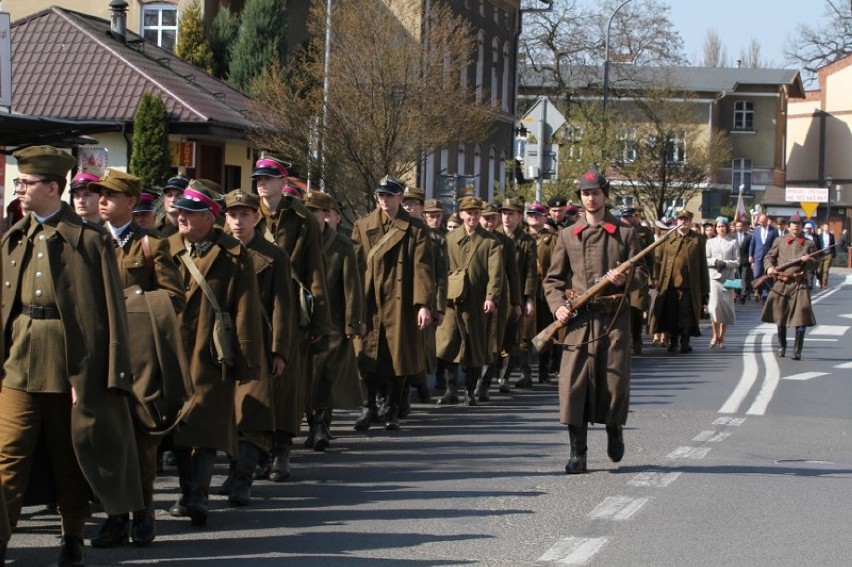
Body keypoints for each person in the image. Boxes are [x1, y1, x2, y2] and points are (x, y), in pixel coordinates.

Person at [0, 146, 142, 565]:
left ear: (51, 187)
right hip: (17, 364)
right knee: (7, 458)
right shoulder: (13, 237)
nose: (19, 189)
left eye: (26, 183)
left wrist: (102, 378)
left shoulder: (91, 242)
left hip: (70, 369)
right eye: (18, 182)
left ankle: (73, 536)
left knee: (71, 459)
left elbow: (112, 316)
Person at [89, 169, 188, 547]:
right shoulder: (90, 241)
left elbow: (174, 299)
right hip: (100, 357)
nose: (101, 201)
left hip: (140, 358)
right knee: (109, 439)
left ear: (131, 203)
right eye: (100, 194)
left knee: (142, 438)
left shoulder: (151, 245)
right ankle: (115, 516)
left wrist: (130, 304)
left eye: (110, 196)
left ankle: (144, 512)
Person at [167, 180, 265, 526]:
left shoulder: (234, 256)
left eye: (191, 213)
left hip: (211, 353)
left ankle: (198, 497)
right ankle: (184, 491)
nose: (181, 217)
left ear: (210, 218)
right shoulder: (166, 248)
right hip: (171, 351)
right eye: (180, 211)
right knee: (176, 426)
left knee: (205, 427)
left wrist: (246, 360)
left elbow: (246, 311)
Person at [543, 166, 645, 474]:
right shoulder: (567, 235)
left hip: (612, 318)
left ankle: (614, 429)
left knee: (613, 383)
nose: (590, 198)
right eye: (585, 194)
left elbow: (641, 275)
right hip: (578, 321)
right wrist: (558, 307)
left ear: (605, 196)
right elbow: (553, 280)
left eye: (595, 193)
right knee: (573, 387)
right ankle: (579, 452)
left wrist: (623, 278)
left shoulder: (625, 233)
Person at [254, 156, 330, 482]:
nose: (261, 183)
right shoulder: (244, 213)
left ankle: (281, 450)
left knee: (285, 386)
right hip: (253, 306)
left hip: (289, 308)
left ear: (282, 182)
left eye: (268, 178)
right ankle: (254, 451)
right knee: (254, 384)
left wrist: (318, 320)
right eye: (258, 178)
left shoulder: (301, 219)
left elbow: (315, 269)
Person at [220, 189, 290, 506]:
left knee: (253, 413)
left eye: (245, 214)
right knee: (226, 413)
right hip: (221, 343)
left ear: (256, 217)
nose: (238, 221)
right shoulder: (218, 252)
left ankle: (243, 479)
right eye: (232, 214)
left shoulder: (274, 256)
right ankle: (233, 471)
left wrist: (279, 351)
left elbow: (281, 307)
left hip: (258, 343)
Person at [351, 176, 435, 429]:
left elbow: (423, 268)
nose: (384, 200)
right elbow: (354, 267)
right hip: (370, 298)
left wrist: (423, 304)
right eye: (381, 196)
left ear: (400, 197)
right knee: (365, 355)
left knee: (398, 357)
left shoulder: (416, 229)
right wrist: (353, 304)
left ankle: (391, 409)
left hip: (402, 301)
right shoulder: (363, 225)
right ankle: (368, 408)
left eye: (390, 195)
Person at [303, 191, 364, 448]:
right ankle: (312, 423)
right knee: (307, 377)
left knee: (327, 376)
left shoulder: (341, 245)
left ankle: (320, 426)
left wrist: (352, 322)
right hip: (304, 319)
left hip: (334, 320)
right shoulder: (299, 242)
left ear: (326, 215)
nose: (310, 216)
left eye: (315, 212)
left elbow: (352, 286)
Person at [436, 197, 503, 405]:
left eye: (476, 213)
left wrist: (491, 297)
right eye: (469, 212)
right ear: (461, 214)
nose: (473, 217)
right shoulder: (449, 239)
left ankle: (470, 391)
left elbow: (496, 274)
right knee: (447, 345)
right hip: (451, 301)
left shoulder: (490, 241)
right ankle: (450, 389)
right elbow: (441, 270)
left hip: (476, 301)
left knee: (474, 347)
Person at [402, 188, 446, 408]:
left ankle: (420, 386)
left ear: (421, 207)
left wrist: (438, 306)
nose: (409, 208)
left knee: (420, 347)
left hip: (424, 299)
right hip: (400, 299)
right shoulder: (397, 230)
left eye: (413, 204)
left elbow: (439, 275)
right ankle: (406, 392)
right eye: (406, 203)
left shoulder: (433, 237)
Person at [651, 208, 710, 354]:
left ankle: (685, 342)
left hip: (690, 285)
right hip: (670, 284)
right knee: (672, 314)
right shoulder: (668, 238)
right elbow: (657, 260)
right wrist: (655, 277)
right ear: (677, 221)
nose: (684, 222)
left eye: (687, 220)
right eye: (681, 219)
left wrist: (704, 288)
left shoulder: (698, 239)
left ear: (690, 222)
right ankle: (673, 342)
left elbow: (703, 264)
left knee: (686, 316)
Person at [761, 214, 817, 360]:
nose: (795, 226)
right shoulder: (779, 241)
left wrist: (808, 260)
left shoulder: (809, 244)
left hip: (800, 283)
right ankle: (782, 346)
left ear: (801, 226)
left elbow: (816, 264)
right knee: (780, 316)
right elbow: (769, 257)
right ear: (788, 226)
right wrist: (769, 268)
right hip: (782, 282)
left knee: (802, 315)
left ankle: (797, 350)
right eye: (793, 224)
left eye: (798, 224)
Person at [524, 202, 559, 383]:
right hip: (525, 291)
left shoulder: (553, 239)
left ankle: (543, 370)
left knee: (545, 332)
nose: (534, 217)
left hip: (544, 292)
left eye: (537, 214)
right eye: (530, 214)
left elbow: (557, 267)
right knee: (524, 333)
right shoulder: (522, 236)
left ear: (545, 216)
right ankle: (525, 371)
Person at [621, 207, 654, 355]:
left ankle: (637, 338)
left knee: (637, 309)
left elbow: (651, 257)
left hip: (638, 275)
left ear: (636, 217)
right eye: (625, 217)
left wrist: (653, 276)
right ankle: (625, 339)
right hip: (621, 276)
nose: (627, 219)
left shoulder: (645, 233)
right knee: (623, 309)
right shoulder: (618, 231)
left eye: (630, 217)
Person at [705, 217, 739, 348]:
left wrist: (725, 263)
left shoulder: (733, 242)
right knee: (714, 307)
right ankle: (714, 334)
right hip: (714, 278)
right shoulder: (710, 242)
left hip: (729, 278)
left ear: (727, 228)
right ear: (715, 228)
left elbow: (737, 261)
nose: (721, 229)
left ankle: (722, 337)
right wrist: (715, 262)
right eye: (718, 226)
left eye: (723, 226)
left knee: (726, 308)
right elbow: (706, 259)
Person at [749, 213, 779, 303]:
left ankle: (765, 295)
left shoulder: (774, 231)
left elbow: (776, 244)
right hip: (757, 256)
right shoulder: (756, 231)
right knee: (757, 275)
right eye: (760, 222)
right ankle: (758, 289)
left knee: (767, 275)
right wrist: (750, 255)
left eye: (763, 222)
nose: (762, 223)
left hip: (769, 257)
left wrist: (776, 256)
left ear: (767, 221)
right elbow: (752, 244)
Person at [733, 220, 753, 304]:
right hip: (735, 261)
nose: (739, 228)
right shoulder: (732, 236)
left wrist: (751, 258)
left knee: (744, 278)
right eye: (737, 226)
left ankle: (743, 295)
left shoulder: (749, 236)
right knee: (737, 278)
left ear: (744, 227)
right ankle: (737, 293)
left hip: (745, 261)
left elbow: (751, 248)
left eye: (740, 226)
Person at [817, 222, 836, 289]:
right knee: (819, 270)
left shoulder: (831, 236)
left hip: (828, 254)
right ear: (823, 228)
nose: (826, 228)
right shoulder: (819, 236)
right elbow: (817, 245)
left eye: (827, 227)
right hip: (821, 255)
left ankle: (824, 283)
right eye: (825, 227)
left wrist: (834, 255)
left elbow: (833, 246)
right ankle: (820, 280)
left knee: (826, 270)